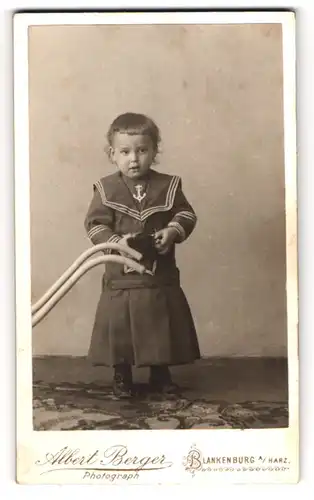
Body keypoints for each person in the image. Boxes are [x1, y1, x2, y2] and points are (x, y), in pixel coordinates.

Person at [84, 112, 200, 398]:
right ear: (112, 154)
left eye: (142, 150)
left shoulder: (168, 185)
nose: (134, 159)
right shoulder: (106, 188)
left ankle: (159, 374)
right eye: (125, 152)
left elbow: (185, 213)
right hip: (121, 276)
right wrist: (115, 242)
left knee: (158, 323)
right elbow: (95, 223)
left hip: (157, 273)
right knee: (121, 324)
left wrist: (172, 231)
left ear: (154, 151)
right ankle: (121, 375)